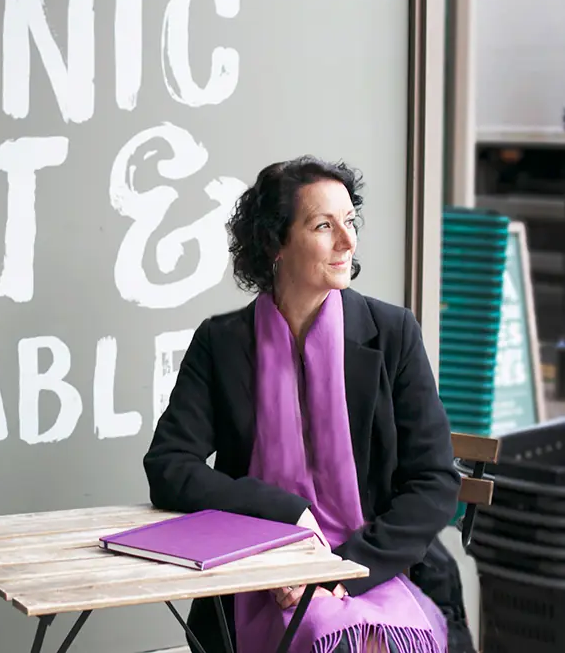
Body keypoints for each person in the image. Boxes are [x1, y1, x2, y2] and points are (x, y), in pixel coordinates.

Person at [143, 157, 460, 653]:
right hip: (256, 572)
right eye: (323, 226)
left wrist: (340, 570)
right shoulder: (222, 343)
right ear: (275, 243)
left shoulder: (392, 334)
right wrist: (285, 512)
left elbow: (435, 481)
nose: (347, 242)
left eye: (349, 223)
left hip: (374, 566)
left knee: (363, 640)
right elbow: (168, 467)